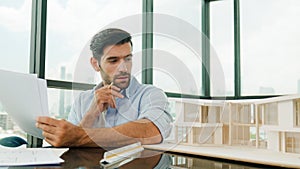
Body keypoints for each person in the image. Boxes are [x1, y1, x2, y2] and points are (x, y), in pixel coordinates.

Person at [35, 28, 173, 147]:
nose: (123, 68)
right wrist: (91, 113)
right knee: (14, 141)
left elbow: (150, 132)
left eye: (128, 59)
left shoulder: (151, 95)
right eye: (113, 61)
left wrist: (79, 136)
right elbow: (70, 142)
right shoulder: (83, 100)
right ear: (95, 64)